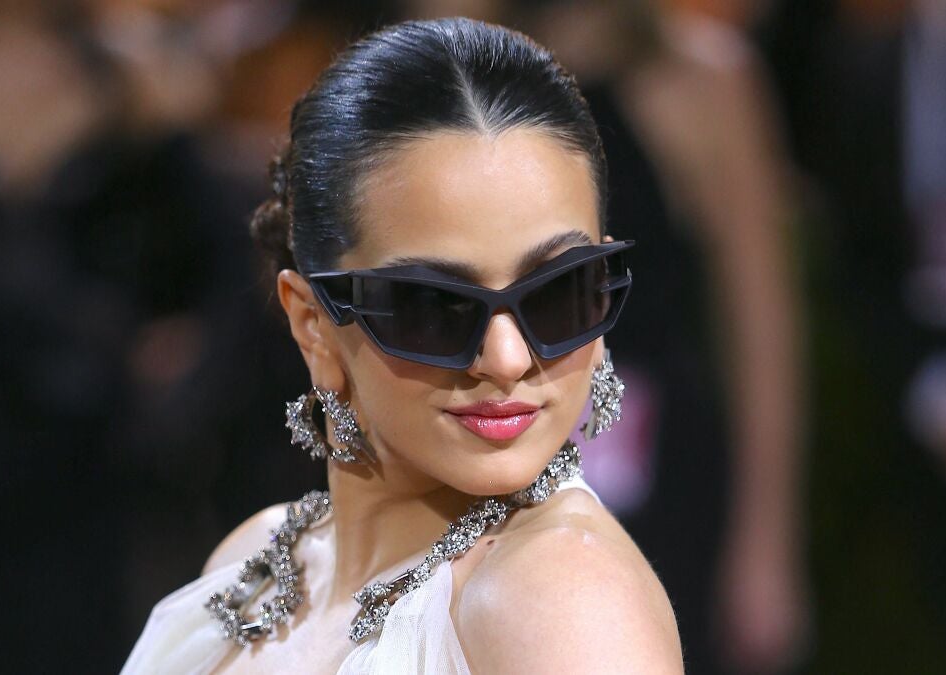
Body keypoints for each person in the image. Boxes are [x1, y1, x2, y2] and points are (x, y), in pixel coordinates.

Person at [123, 17, 683, 674]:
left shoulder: (561, 596)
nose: (507, 359)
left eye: (559, 292)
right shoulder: (257, 560)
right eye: (435, 307)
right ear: (312, 323)